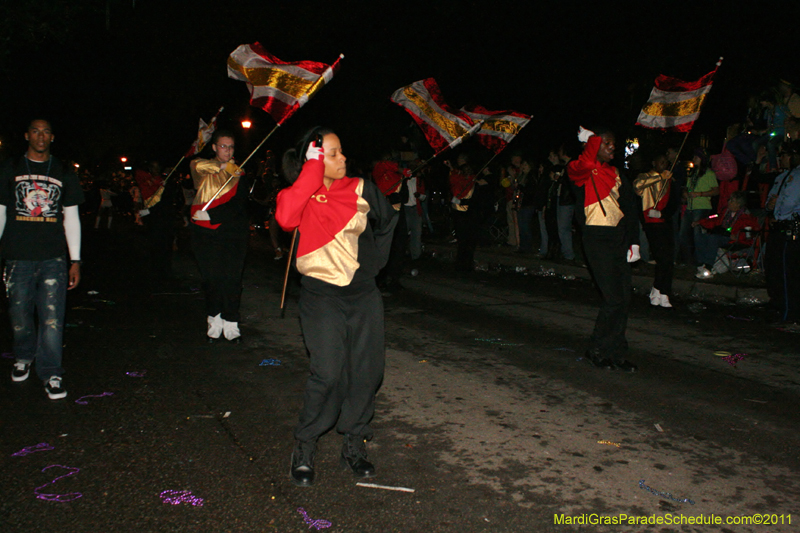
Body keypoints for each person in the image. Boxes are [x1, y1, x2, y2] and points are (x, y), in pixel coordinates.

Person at [275, 127, 398, 487]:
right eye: (333, 153)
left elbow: (388, 221)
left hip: (362, 295)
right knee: (328, 373)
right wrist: (310, 171)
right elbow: (285, 218)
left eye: (341, 151)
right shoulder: (298, 193)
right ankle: (305, 443)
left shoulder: (360, 187)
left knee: (366, 372)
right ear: (313, 159)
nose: (343, 158)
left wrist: (373, 266)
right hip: (321, 295)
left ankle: (353, 443)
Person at [0, 119, 84, 399]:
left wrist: (75, 260)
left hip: (53, 258)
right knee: (19, 314)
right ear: (26, 135)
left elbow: (70, 216)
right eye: (35, 131)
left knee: (52, 318)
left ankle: (52, 373)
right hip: (17, 256)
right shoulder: (10, 168)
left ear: (52, 137)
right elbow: (0, 212)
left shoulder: (63, 171)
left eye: (46, 131)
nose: (40, 136)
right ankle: (24, 355)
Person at [567, 127, 640, 372]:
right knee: (612, 298)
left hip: (617, 237)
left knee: (624, 299)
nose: (612, 147)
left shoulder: (616, 173)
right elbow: (586, 162)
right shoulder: (581, 169)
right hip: (596, 239)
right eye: (606, 143)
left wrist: (634, 242)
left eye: (613, 143)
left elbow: (630, 208)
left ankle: (616, 353)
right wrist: (593, 139)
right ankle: (597, 349)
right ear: (593, 145)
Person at [189, 130, 250, 344]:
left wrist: (213, 214)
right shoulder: (203, 167)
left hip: (232, 232)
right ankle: (214, 322)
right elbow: (196, 165)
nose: (228, 151)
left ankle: (231, 323)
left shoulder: (240, 173)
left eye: (231, 147)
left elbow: (239, 204)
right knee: (212, 279)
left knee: (232, 279)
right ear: (214, 147)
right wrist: (225, 167)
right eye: (223, 146)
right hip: (205, 234)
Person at [634, 154, 679, 307]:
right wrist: (660, 178)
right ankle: (659, 289)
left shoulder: (669, 179)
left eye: (665, 162)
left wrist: (663, 214)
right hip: (651, 223)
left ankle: (663, 291)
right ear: (654, 162)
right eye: (660, 161)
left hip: (664, 222)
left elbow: (673, 202)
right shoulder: (645, 176)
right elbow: (637, 186)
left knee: (668, 258)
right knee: (662, 257)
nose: (663, 164)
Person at [764, 147, 800, 321]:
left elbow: (790, 202)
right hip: (778, 227)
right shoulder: (782, 176)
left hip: (790, 227)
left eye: (786, 155)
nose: (783, 159)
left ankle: (789, 312)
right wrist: (771, 209)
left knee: (788, 272)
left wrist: (779, 214)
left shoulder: (797, 176)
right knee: (774, 268)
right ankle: (778, 304)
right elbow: (771, 199)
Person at [693, 191, 759, 278]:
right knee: (700, 237)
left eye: (732, 201)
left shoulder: (746, 217)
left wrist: (736, 237)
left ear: (738, 204)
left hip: (734, 240)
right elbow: (715, 220)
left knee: (713, 239)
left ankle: (709, 267)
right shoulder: (725, 212)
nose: (729, 202)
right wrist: (700, 222)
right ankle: (701, 264)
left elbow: (749, 234)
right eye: (729, 200)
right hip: (723, 236)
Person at [448, 153, 488, 272]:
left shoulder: (463, 181)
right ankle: (465, 263)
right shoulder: (471, 182)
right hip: (468, 215)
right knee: (467, 241)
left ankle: (462, 263)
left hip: (464, 215)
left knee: (464, 241)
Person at [680, 148, 718, 265]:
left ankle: (700, 261)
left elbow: (716, 191)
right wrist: (686, 194)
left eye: (696, 157)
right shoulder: (693, 173)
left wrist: (700, 194)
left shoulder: (709, 173)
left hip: (702, 207)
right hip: (690, 207)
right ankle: (686, 260)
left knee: (698, 235)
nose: (693, 159)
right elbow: (686, 187)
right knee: (683, 234)